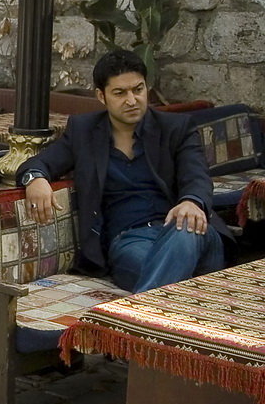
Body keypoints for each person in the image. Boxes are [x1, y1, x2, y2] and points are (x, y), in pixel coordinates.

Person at [17, 49, 229, 294]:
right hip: (131, 241)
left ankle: (140, 319)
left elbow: (197, 175)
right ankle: (179, 302)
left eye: (138, 89)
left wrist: (192, 202)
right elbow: (37, 163)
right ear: (101, 96)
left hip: (186, 231)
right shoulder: (84, 131)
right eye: (120, 93)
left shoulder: (176, 128)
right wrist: (36, 179)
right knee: (167, 274)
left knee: (186, 228)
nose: (132, 100)